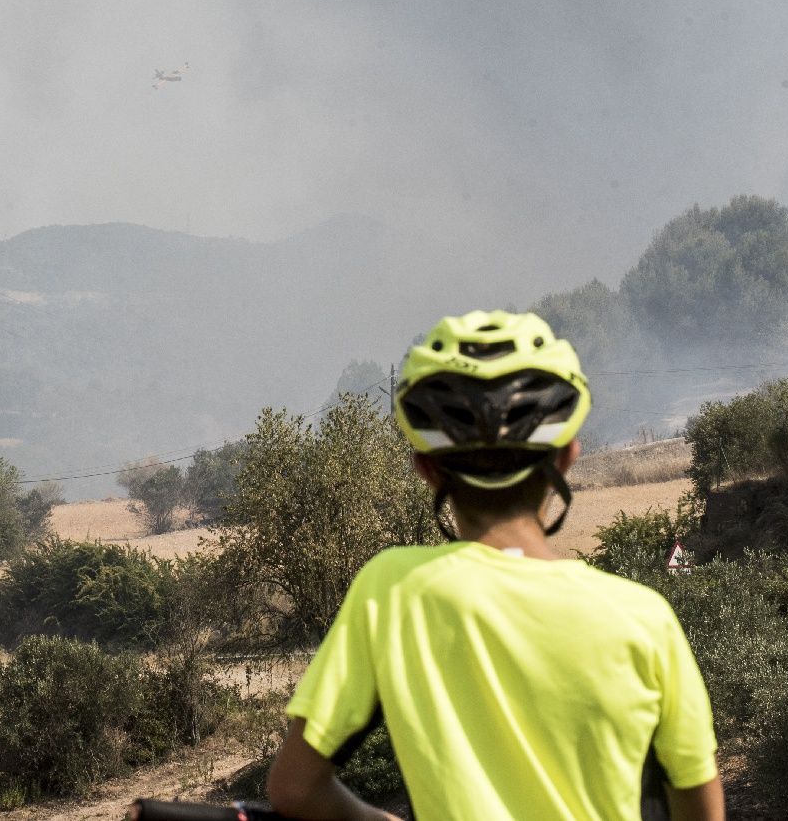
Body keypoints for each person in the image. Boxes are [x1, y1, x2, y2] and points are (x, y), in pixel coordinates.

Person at [266, 310, 723, 821]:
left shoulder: (392, 589)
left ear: (427, 469)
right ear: (569, 456)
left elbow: (294, 788)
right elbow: (699, 806)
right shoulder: (646, 618)